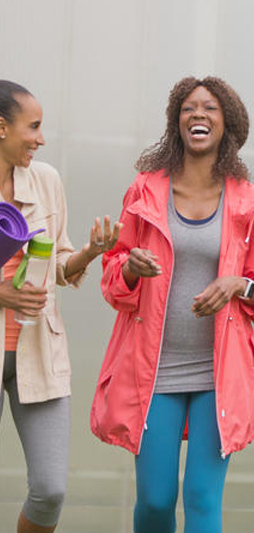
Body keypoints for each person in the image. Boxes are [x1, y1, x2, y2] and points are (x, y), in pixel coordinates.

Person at [90, 76, 254, 533]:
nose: (197, 114)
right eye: (188, 108)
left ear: (228, 125)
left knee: (202, 498)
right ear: (175, 122)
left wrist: (238, 284)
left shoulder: (249, 203)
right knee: (156, 500)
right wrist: (128, 268)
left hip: (218, 375)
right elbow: (111, 275)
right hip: (153, 371)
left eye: (210, 109)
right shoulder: (144, 192)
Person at [0, 80, 120, 533]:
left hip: (39, 350)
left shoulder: (46, 181)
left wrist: (90, 253)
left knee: (50, 490)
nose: (41, 138)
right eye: (33, 127)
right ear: (1, 127)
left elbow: (60, 266)